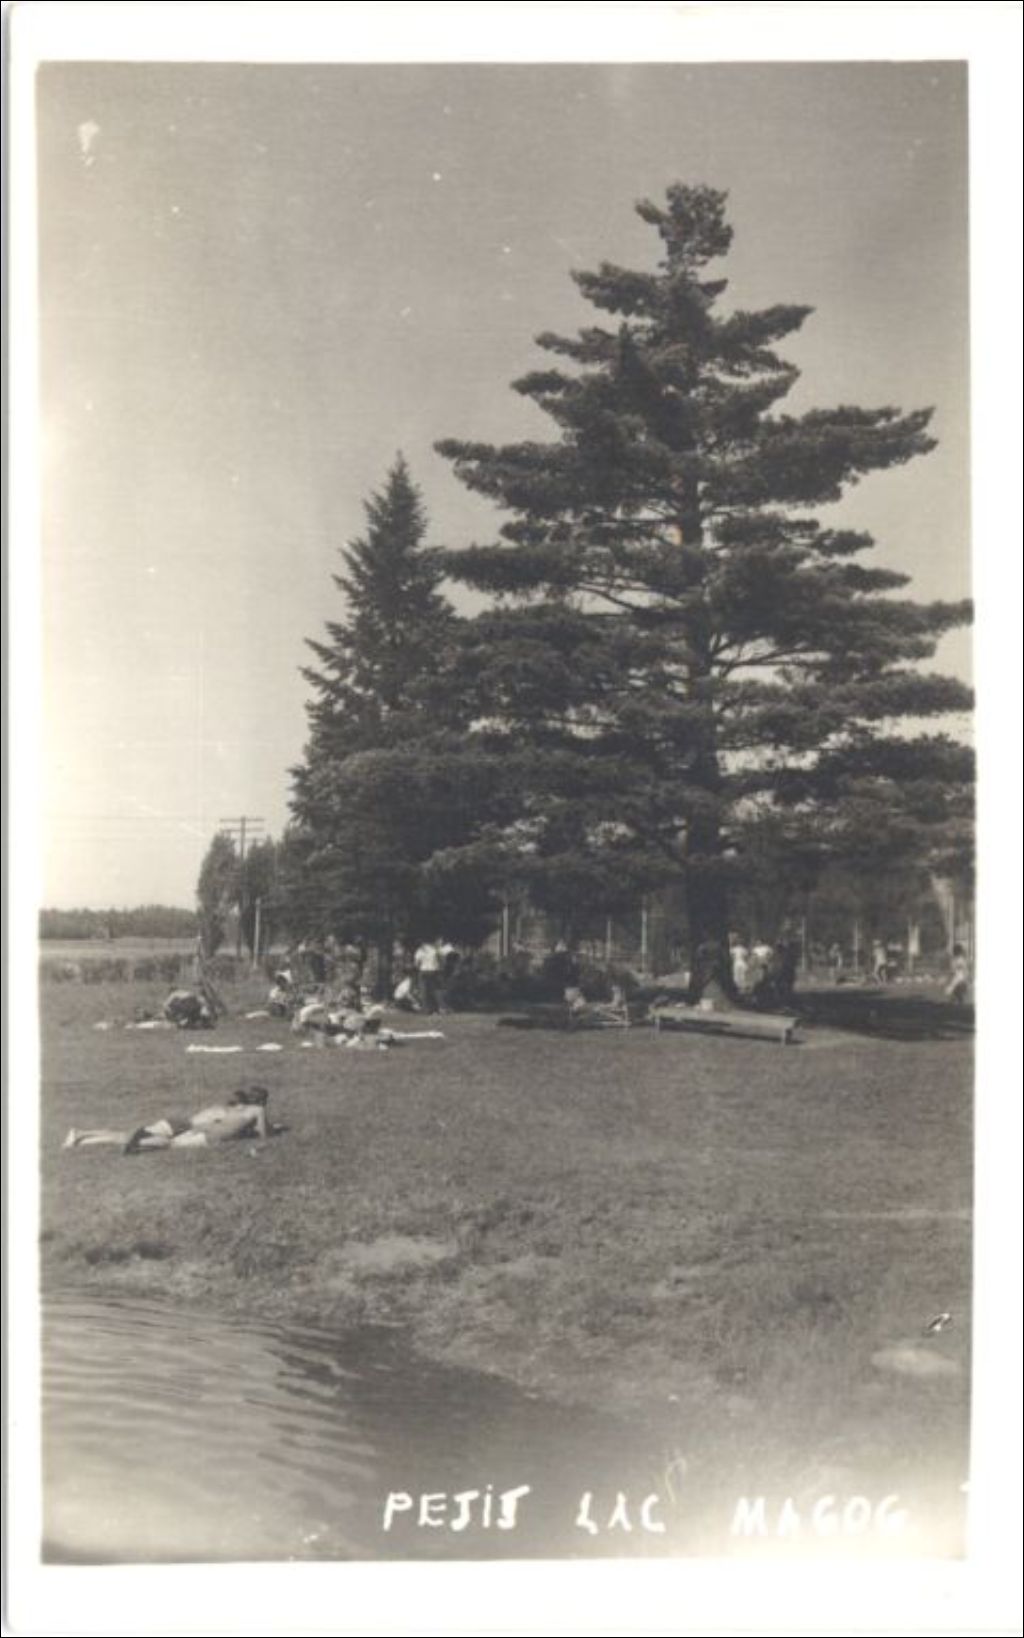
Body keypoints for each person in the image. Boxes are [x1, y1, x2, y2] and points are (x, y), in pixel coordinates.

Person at [63, 1087, 271, 1153]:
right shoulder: (248, 1111)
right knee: (130, 1138)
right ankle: (81, 1134)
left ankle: (81, 1139)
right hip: (180, 1127)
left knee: (124, 1136)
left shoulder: (222, 1109)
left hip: (179, 1124)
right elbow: (262, 1134)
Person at [414, 938, 442, 1014]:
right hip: (433, 971)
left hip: (423, 971)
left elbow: (416, 964)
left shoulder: (419, 950)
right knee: (433, 990)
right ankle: (436, 1009)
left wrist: (419, 968)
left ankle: (426, 1010)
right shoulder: (434, 949)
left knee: (424, 991)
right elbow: (439, 960)